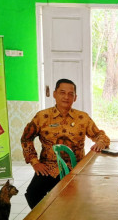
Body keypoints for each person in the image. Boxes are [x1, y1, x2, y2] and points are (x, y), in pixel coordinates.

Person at [21, 78, 110, 209]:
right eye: (62, 92)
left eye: (70, 94)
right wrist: (35, 162)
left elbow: (100, 135)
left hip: (75, 169)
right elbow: (26, 138)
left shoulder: (82, 118)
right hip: (49, 168)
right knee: (33, 194)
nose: (66, 97)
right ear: (54, 94)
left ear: (75, 97)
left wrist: (101, 142)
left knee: (77, 200)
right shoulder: (42, 116)